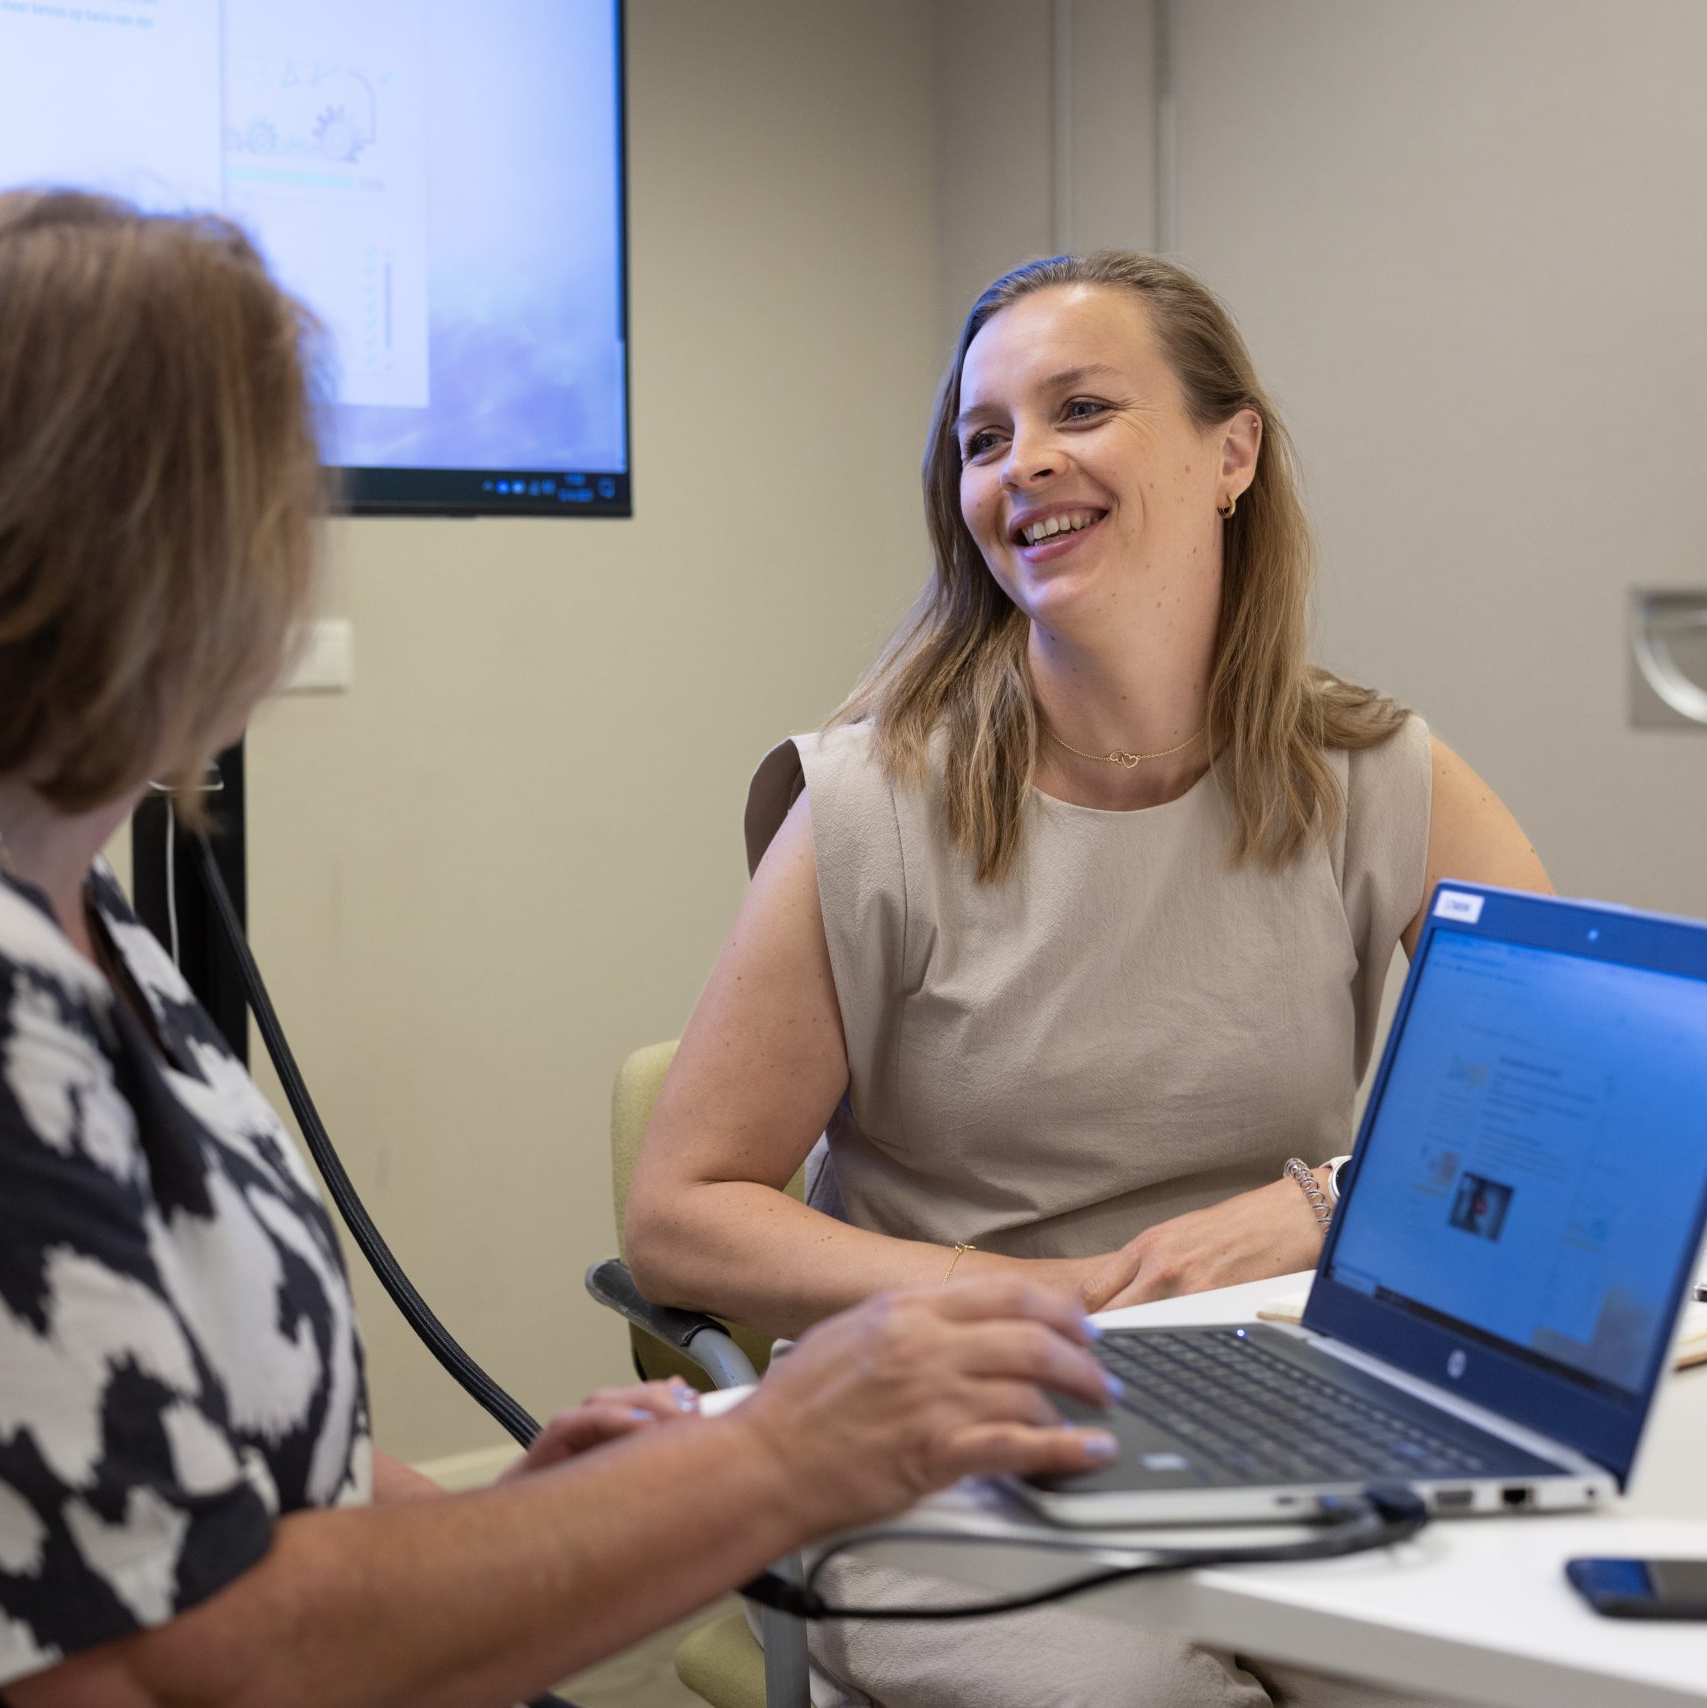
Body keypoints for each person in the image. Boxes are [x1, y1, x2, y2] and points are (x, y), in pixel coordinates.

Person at [0, 191, 1127, 1708]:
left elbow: (176, 1453)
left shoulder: (25, 882)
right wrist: (787, 1453)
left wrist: (511, 1524)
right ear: (147, 559)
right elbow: (204, 1654)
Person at [622, 251, 1550, 1706]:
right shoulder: (870, 805)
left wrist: (1313, 1204)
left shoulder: (1374, 777)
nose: (1024, 464)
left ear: (1232, 451)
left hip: (1278, 1393)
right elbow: (681, 1213)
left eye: (1081, 409)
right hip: (958, 1419)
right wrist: (1016, 1296)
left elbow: (1560, 1120)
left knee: (1492, 1675)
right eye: (983, 438)